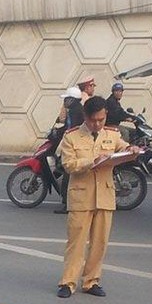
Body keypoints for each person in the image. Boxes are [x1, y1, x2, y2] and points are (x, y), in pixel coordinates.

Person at [56, 96, 141, 298]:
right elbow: (69, 165)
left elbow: (123, 147)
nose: (97, 124)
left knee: (100, 242)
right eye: (94, 120)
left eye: (101, 120)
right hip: (81, 196)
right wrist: (92, 160)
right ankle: (67, 283)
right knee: (76, 242)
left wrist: (131, 150)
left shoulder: (111, 134)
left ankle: (91, 281)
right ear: (85, 117)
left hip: (104, 194)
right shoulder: (71, 136)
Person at [53, 86, 85, 214]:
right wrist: (57, 131)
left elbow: (73, 129)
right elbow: (67, 127)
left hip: (76, 147)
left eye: (66, 99)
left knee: (67, 174)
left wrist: (61, 132)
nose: (64, 101)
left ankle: (67, 204)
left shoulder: (76, 112)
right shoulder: (74, 110)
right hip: (74, 144)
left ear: (72, 100)